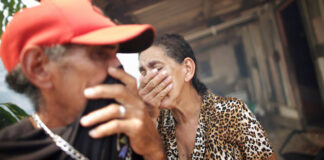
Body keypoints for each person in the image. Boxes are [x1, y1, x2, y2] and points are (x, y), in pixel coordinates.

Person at [0, 0, 165, 159]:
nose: (118, 65)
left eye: (116, 52)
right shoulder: (10, 151)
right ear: (39, 67)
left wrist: (154, 151)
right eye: (100, 53)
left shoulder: (134, 129)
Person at [138, 34, 275, 160]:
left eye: (157, 68)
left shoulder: (232, 112)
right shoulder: (156, 126)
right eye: (143, 72)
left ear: (187, 69)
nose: (148, 81)